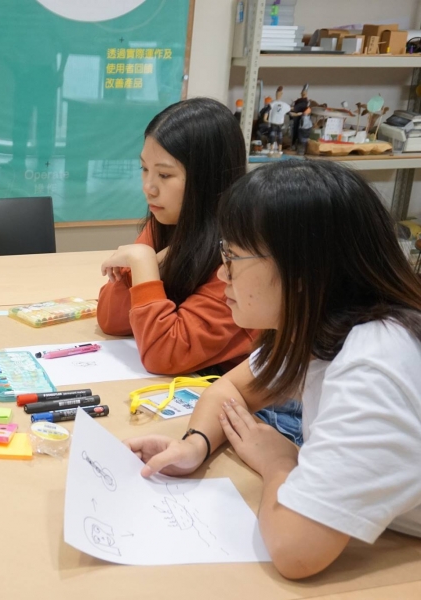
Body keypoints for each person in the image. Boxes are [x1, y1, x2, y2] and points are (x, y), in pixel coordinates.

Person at [125, 160, 421, 579]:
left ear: (301, 271)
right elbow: (229, 391)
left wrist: (279, 461)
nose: (221, 272)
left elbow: (295, 551)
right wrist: (195, 445)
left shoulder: (373, 365)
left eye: (233, 256)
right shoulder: (320, 324)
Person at [97, 97, 256, 378]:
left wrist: (143, 264)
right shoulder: (167, 222)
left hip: (241, 395)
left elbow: (164, 355)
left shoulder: (242, 252)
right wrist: (146, 267)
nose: (148, 187)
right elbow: (111, 319)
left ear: (207, 180)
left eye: (164, 175)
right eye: (144, 169)